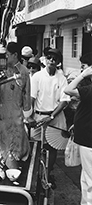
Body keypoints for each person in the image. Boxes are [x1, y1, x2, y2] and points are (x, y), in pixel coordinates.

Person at [29, 48, 70, 188]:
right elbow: (32, 98)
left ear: (58, 62)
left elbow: (64, 101)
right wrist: (29, 117)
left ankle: (48, 173)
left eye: (54, 58)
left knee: (52, 148)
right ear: (45, 60)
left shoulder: (61, 78)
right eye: (49, 58)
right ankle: (36, 174)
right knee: (35, 146)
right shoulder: (37, 77)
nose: (51, 60)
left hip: (55, 116)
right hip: (39, 117)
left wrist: (51, 115)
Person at [0, 42, 31, 181]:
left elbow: (27, 94)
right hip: (2, 112)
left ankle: (14, 165)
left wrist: (27, 114)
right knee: (1, 139)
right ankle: (0, 165)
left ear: (15, 55)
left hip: (16, 114)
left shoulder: (24, 71)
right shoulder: (1, 69)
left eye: (7, 55)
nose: (5, 58)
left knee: (15, 139)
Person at [64, 52, 92, 205]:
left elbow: (68, 89)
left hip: (89, 141)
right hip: (86, 137)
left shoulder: (89, 89)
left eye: (85, 67)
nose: (83, 69)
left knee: (89, 180)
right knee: (86, 177)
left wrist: (82, 75)